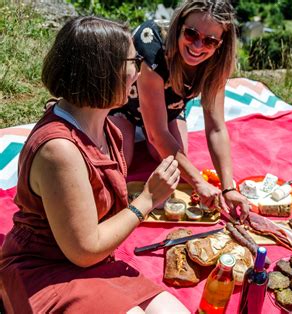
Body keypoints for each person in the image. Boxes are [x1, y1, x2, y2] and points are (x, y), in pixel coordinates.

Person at [0, 16, 189, 314]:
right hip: (44, 269)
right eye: (133, 60)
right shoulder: (59, 150)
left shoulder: (107, 128)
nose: (138, 71)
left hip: (94, 261)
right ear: (103, 70)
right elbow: (84, 251)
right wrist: (149, 199)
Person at [111, 0, 250, 222]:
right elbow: (157, 134)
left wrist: (228, 188)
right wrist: (199, 183)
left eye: (210, 41)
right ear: (179, 25)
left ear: (220, 44)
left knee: (171, 163)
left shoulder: (217, 63)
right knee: (119, 166)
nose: (197, 46)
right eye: (191, 34)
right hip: (122, 105)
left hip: (170, 109)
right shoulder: (152, 45)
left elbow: (215, 127)